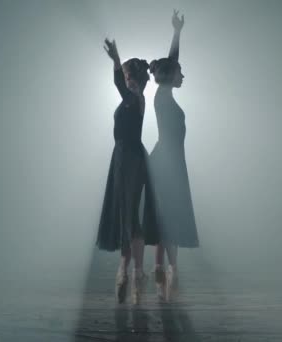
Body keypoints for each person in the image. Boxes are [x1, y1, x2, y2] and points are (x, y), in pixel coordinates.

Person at [144, 10, 199, 303]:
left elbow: (171, 65)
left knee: (171, 220)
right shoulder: (162, 96)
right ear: (169, 75)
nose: (183, 75)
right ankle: (164, 276)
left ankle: (169, 275)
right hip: (166, 162)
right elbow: (171, 63)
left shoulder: (167, 96)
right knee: (166, 219)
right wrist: (176, 34)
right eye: (180, 72)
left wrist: (177, 33)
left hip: (172, 162)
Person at [96, 38, 153, 305]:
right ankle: (127, 273)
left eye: (130, 78)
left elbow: (119, 85)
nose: (128, 81)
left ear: (138, 81)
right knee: (124, 213)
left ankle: (134, 275)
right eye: (127, 78)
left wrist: (116, 58)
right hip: (121, 157)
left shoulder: (135, 98)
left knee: (129, 213)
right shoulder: (131, 99)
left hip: (130, 158)